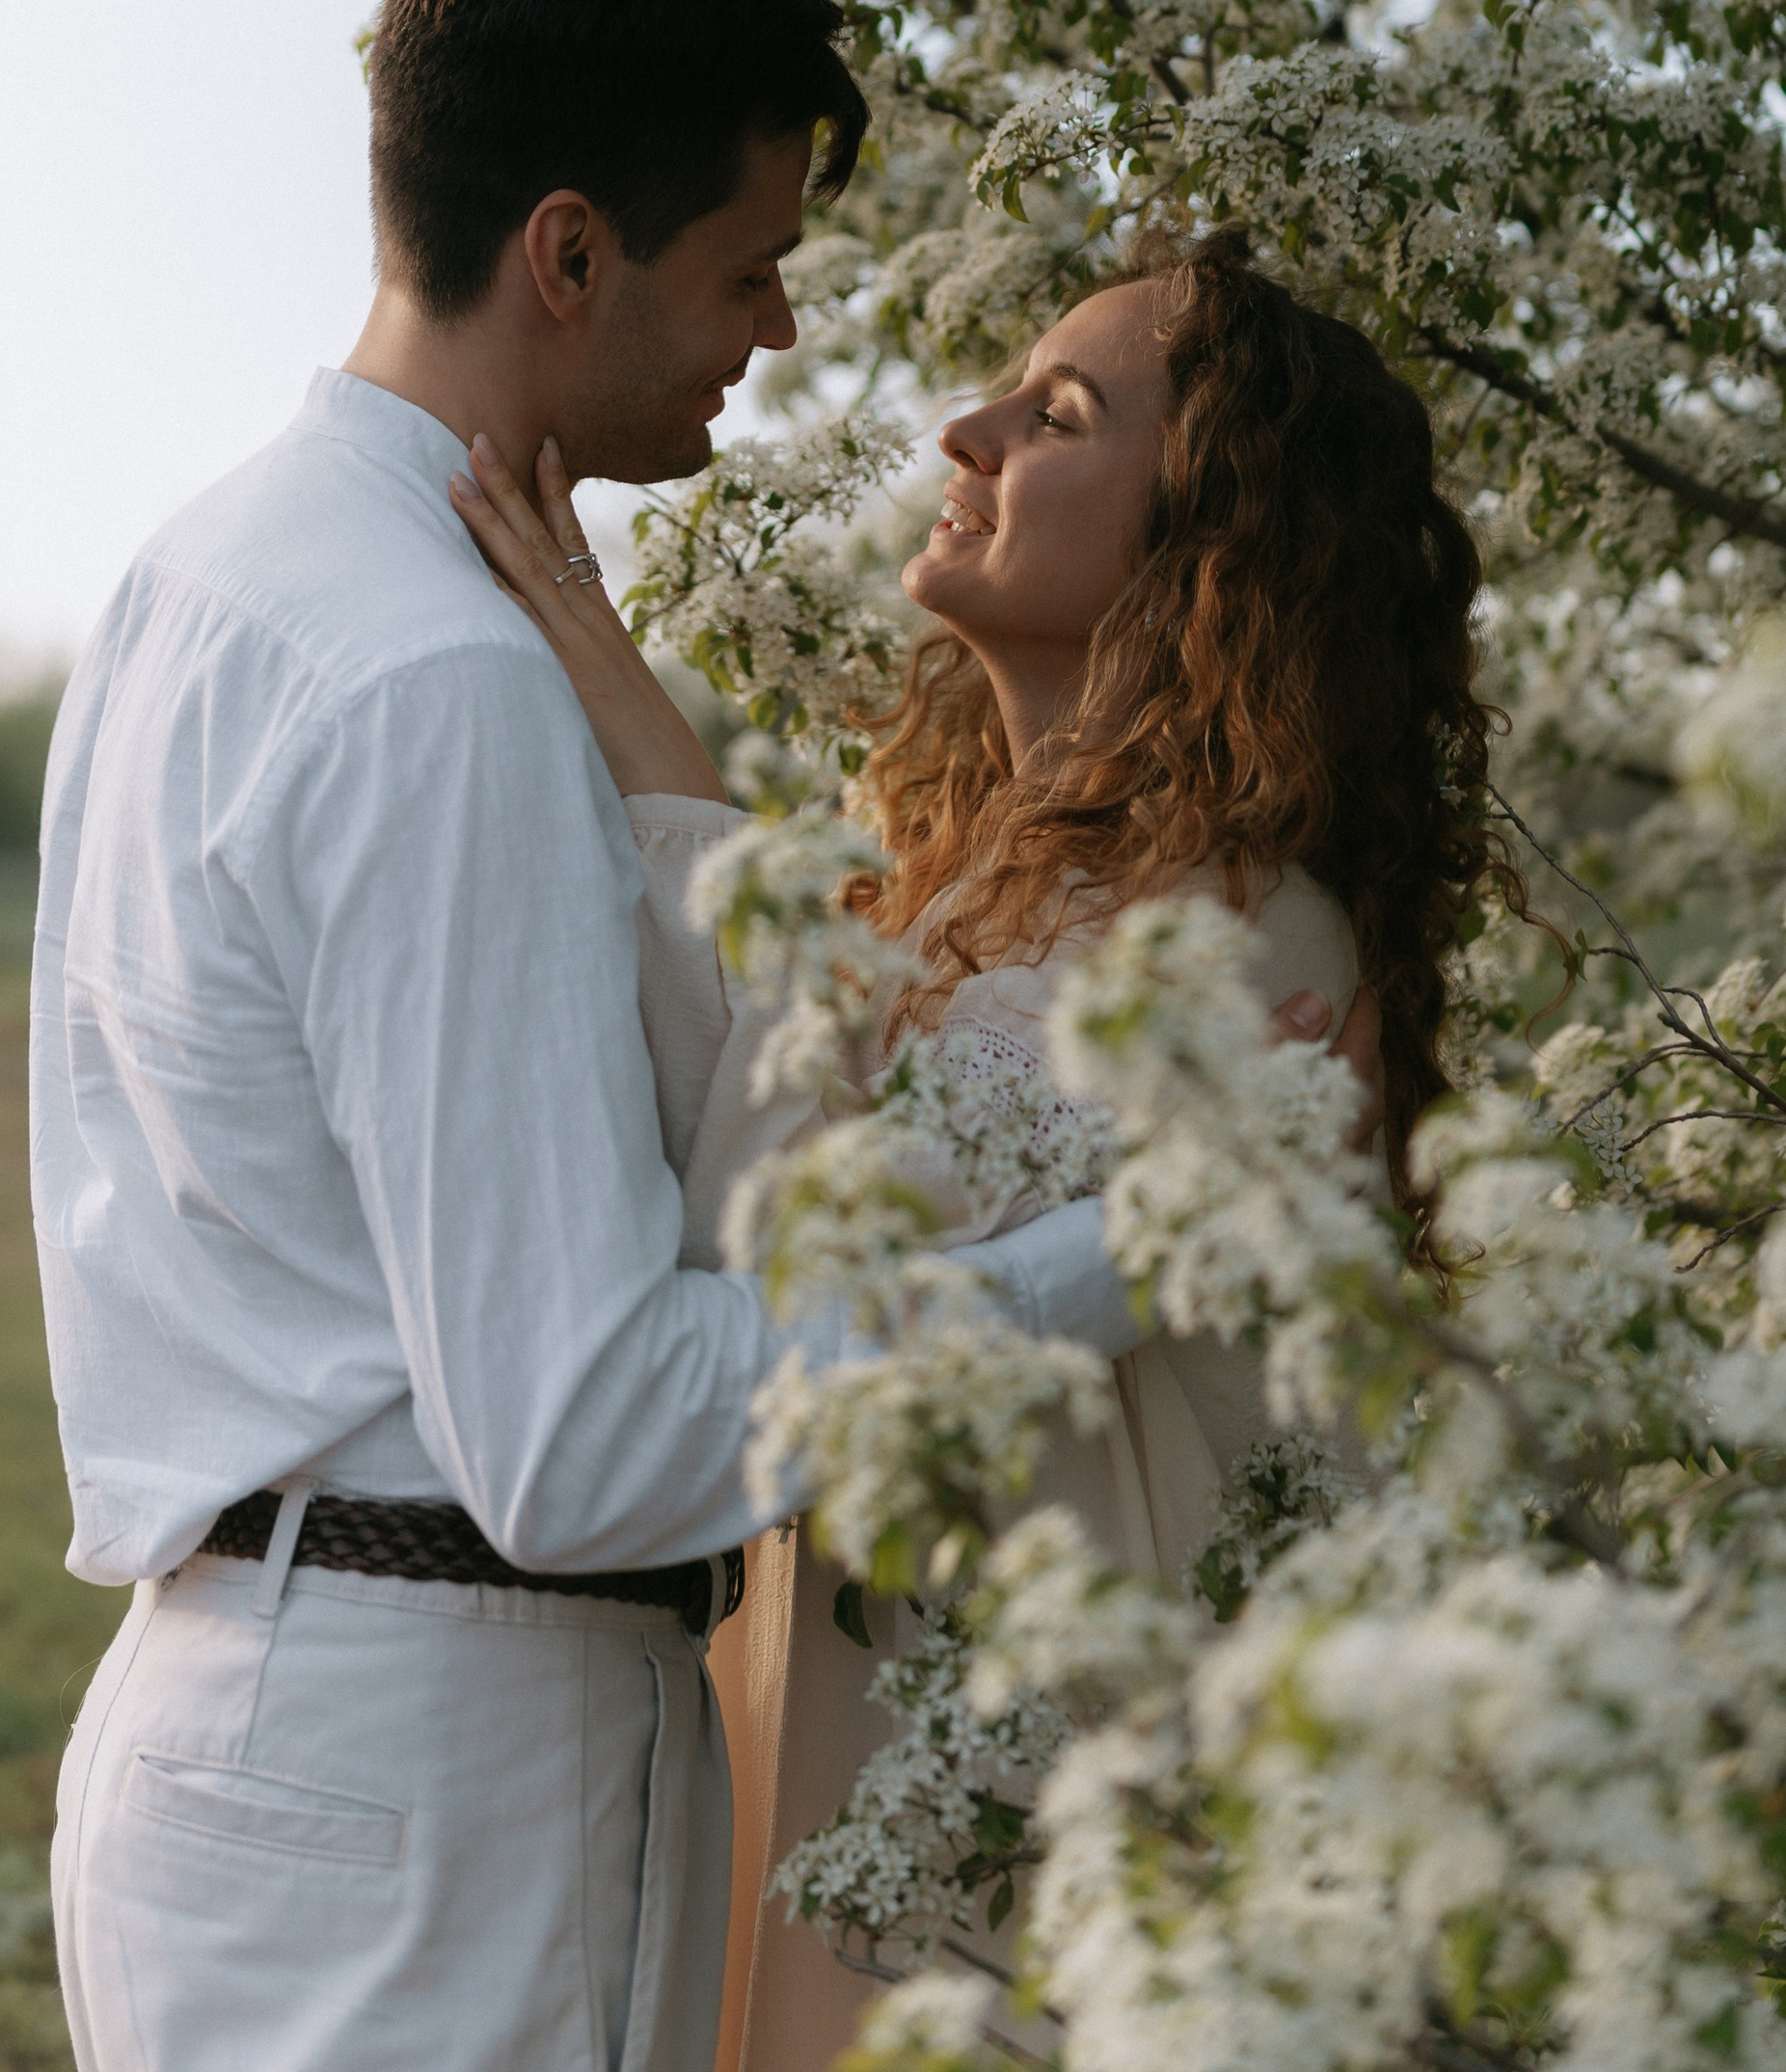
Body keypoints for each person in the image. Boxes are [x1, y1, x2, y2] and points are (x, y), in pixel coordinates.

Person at [32, 0, 1147, 2072]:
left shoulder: (213, 573)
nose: (782, 333)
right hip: (428, 1789)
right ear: (566, 252)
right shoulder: (433, 684)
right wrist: (1115, 1259)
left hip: (299, 1730)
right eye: (748, 268)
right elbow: (578, 1432)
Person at [449, 229, 1505, 2072]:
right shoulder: (964, 908)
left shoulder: (1236, 941)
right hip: (909, 1796)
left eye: (1060, 414)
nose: (966, 428)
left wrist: (641, 729)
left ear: (1210, 547)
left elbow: (784, 1270)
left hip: (1094, 1875)